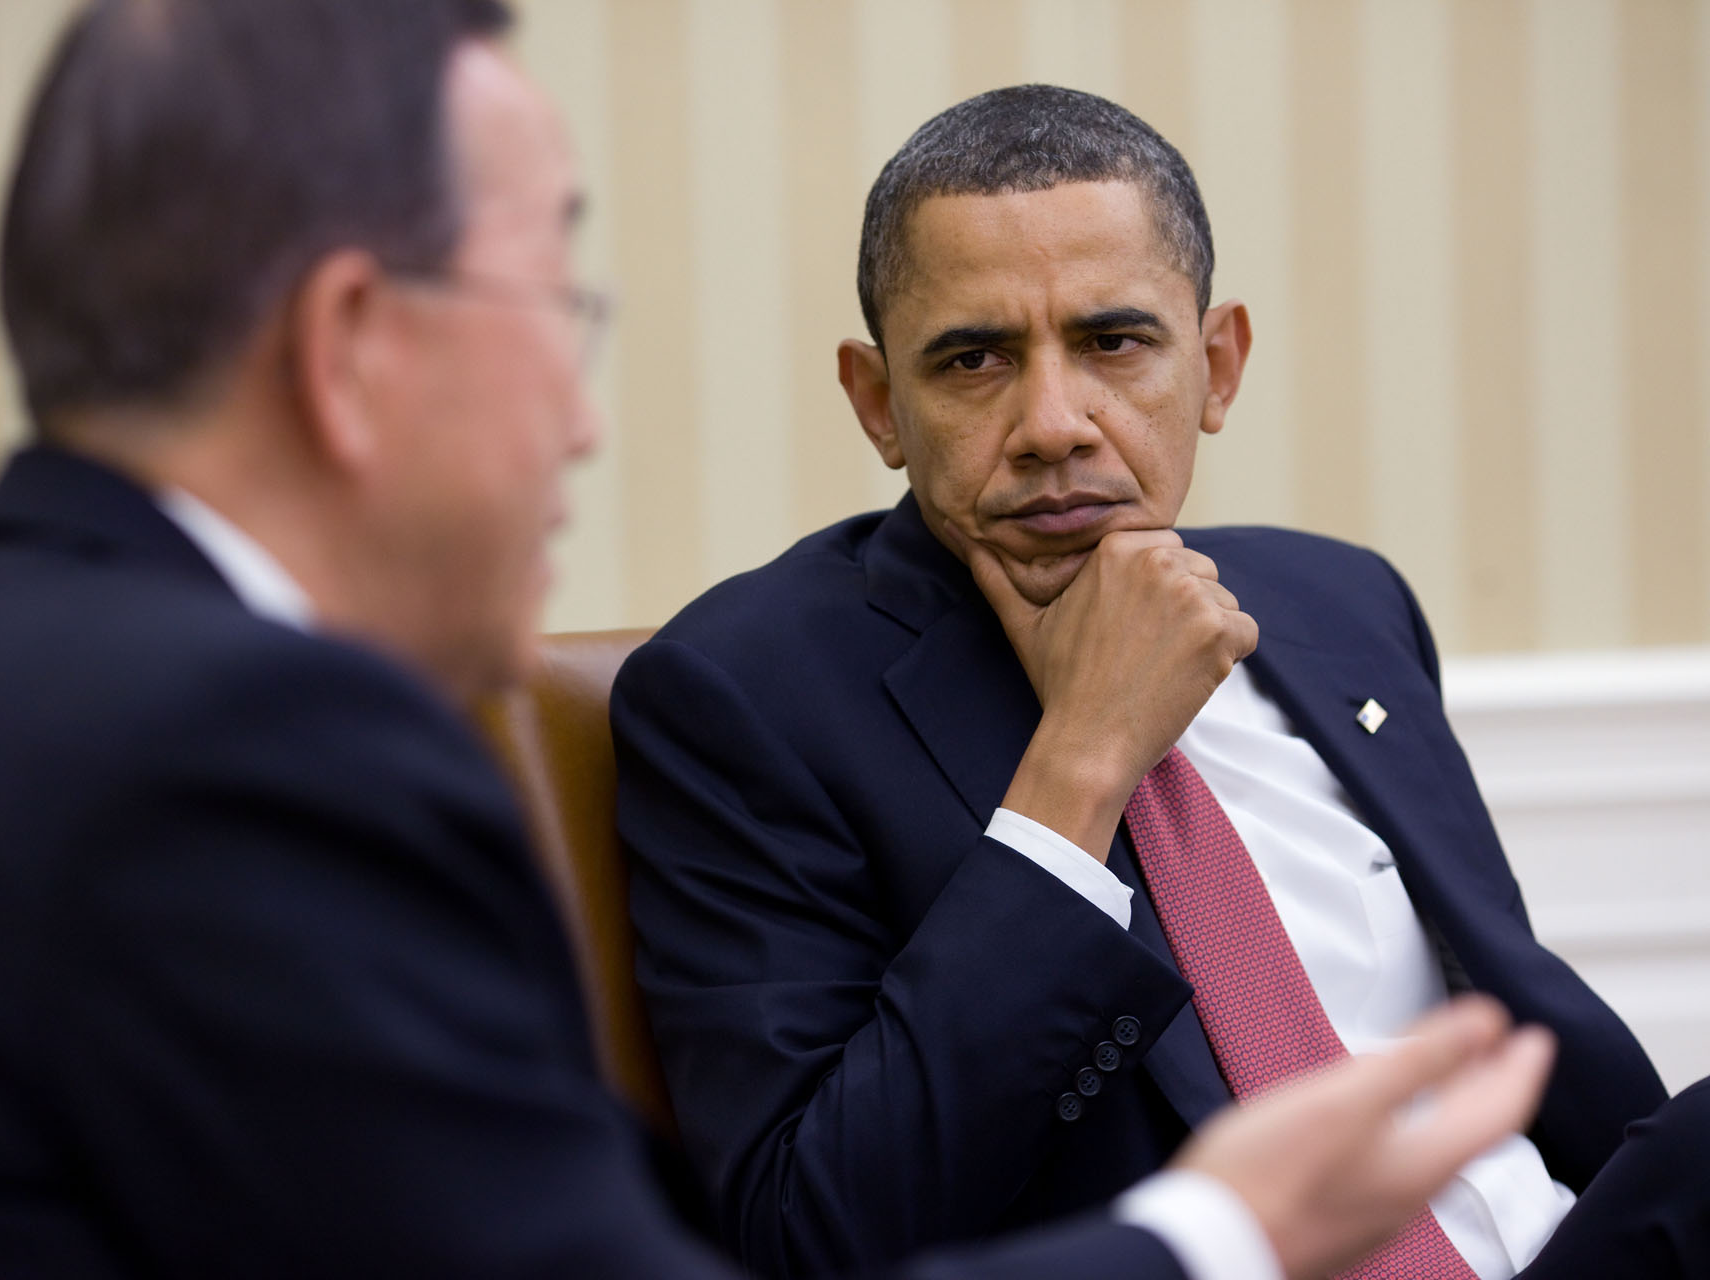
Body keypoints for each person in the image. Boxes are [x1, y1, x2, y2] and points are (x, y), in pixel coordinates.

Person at [0, 5, 1557, 1278]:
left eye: (1116, 345)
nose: (580, 418)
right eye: (556, 305)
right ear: (349, 343)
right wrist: (1229, 1233)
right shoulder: (246, 759)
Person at [614, 84, 1710, 1280]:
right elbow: (812, 1235)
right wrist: (1079, 765)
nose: (1052, 423)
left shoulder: (1343, 605)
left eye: (1112, 341)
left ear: (1218, 364)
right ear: (881, 403)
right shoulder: (747, 695)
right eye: (974, 358)